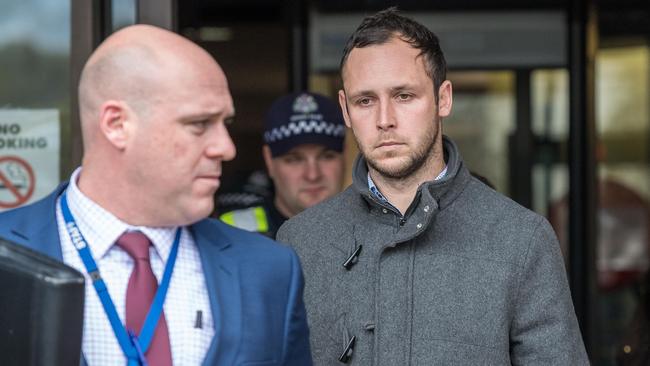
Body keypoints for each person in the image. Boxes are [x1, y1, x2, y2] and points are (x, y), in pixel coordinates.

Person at [276, 8, 588, 365]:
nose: (384, 120)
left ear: (444, 99)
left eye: (404, 96)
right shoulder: (299, 242)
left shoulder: (521, 239)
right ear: (345, 110)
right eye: (366, 101)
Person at [0, 25, 311, 365]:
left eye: (225, 123)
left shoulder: (268, 271)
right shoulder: (7, 254)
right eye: (199, 124)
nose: (226, 147)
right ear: (117, 124)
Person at [220, 92, 345, 238]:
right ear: (269, 161)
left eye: (326, 156)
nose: (312, 175)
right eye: (294, 159)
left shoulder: (371, 230)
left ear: (345, 156)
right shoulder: (231, 234)